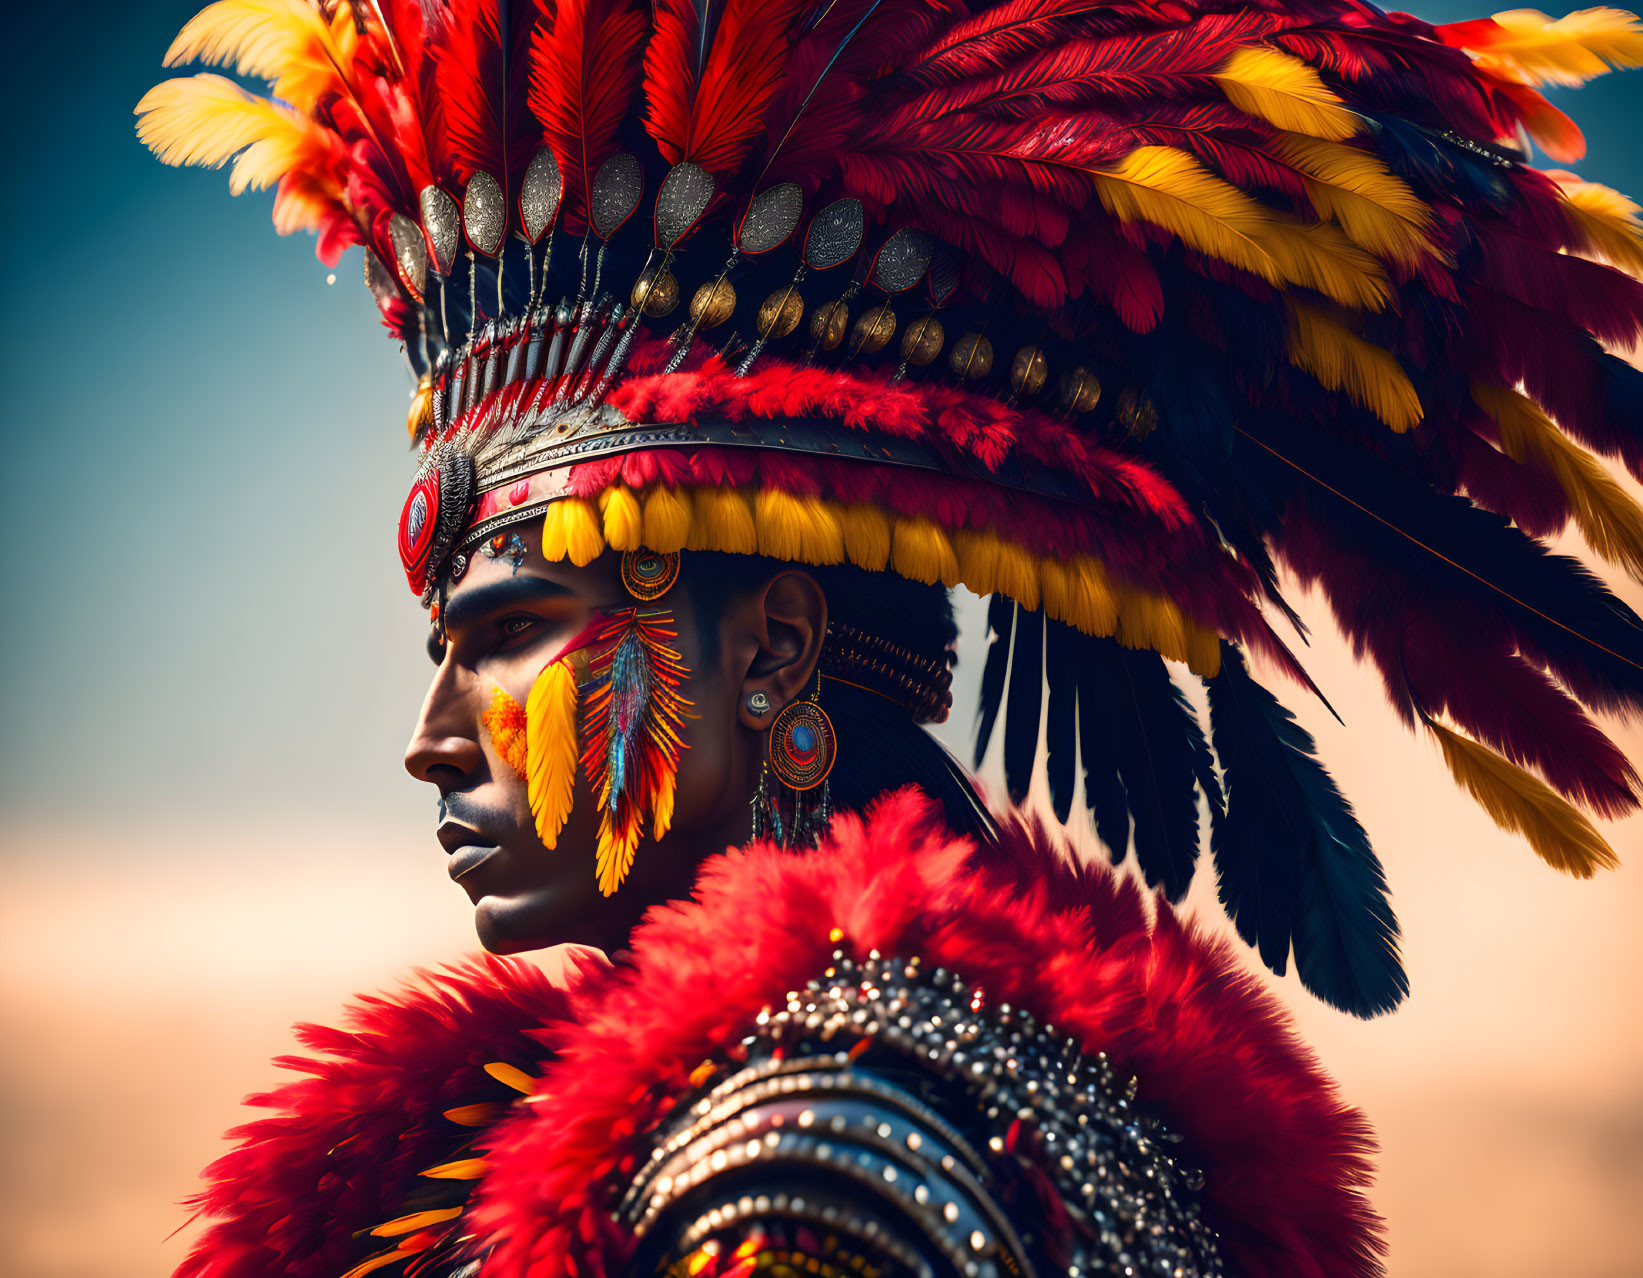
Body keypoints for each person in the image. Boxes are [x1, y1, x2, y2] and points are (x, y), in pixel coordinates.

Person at [136, 2, 1643, 1276]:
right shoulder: (935, 1079)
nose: (433, 738)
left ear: (776, 652)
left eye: (512, 631)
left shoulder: (814, 1149)